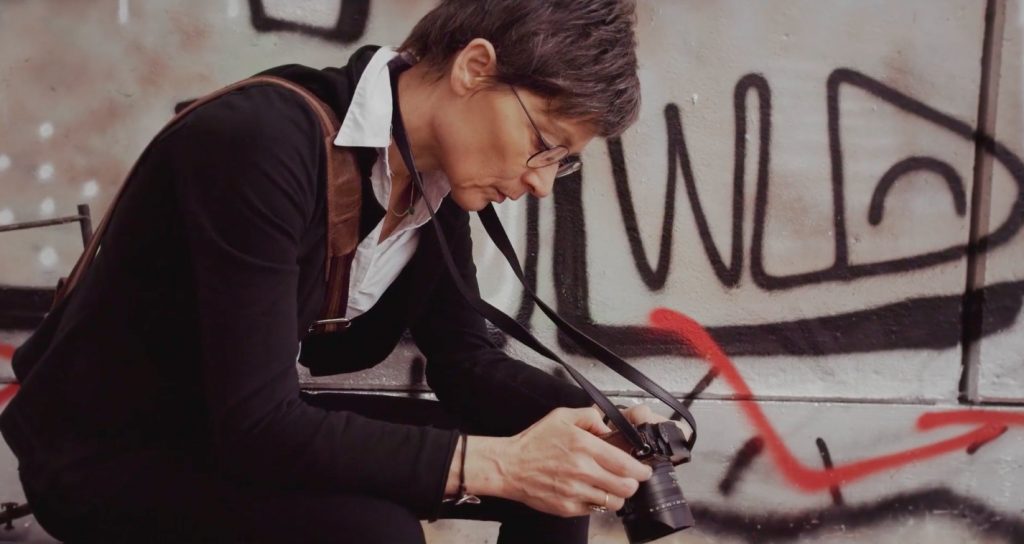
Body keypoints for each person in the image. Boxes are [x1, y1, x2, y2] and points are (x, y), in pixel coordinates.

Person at [0, 0, 689, 542]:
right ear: (474, 68)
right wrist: (500, 465)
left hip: (220, 429)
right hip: (107, 453)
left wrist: (596, 421)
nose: (540, 183)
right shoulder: (263, 142)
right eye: (543, 144)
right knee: (373, 533)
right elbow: (258, 427)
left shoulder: (436, 180)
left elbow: (465, 363)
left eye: (560, 164)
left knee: (565, 464)